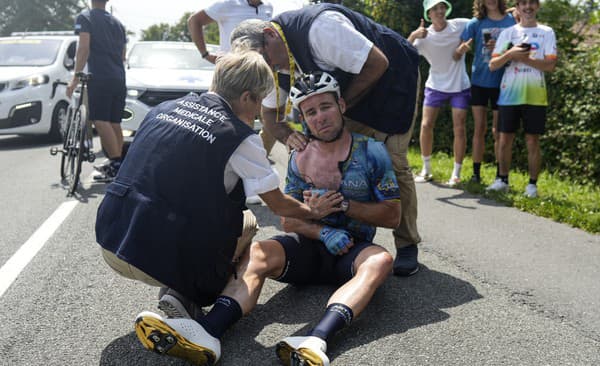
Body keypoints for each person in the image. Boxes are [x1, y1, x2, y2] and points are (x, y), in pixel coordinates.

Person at [95, 52, 344, 365]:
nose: (257, 115)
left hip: (111, 240)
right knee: (249, 222)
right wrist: (314, 212)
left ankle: (179, 293)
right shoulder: (239, 137)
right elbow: (279, 204)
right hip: (153, 258)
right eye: (258, 104)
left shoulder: (163, 109)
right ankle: (190, 291)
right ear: (245, 97)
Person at [136, 72, 400, 366]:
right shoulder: (300, 157)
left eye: (325, 107)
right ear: (302, 119)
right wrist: (322, 232)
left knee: (381, 260)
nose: (320, 117)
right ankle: (207, 333)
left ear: (341, 105)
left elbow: (392, 215)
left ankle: (316, 339)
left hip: (353, 251)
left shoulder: (372, 151)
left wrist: (344, 205)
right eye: (310, 112)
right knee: (258, 251)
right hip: (310, 249)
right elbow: (289, 221)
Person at [230, 2, 422, 276]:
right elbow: (271, 115)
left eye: (266, 58)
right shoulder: (270, 62)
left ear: (270, 34)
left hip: (391, 80)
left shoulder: (321, 29)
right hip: (343, 96)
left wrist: (343, 108)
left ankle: (407, 243)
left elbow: (377, 62)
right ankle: (338, 228)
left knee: (393, 159)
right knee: (325, 152)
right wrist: (289, 135)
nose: (268, 66)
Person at [188, 0, 277, 204]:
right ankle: (235, 180)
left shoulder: (268, 8)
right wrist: (206, 55)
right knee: (231, 126)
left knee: (258, 123)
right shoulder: (227, 4)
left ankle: (250, 178)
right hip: (234, 78)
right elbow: (195, 20)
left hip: (259, 75)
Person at [485, 0, 557, 197]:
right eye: (523, 3)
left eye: (532, 3)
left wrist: (524, 58)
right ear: (517, 8)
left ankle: (532, 186)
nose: (528, 7)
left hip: (535, 95)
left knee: (532, 141)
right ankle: (502, 180)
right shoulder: (508, 33)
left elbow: (550, 65)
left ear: (538, 7)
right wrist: (511, 53)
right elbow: (493, 64)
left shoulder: (547, 32)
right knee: (504, 139)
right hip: (509, 94)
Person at [408, 0, 470, 187]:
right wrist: (412, 36)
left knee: (459, 127)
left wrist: (463, 46)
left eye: (442, 7)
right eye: (435, 8)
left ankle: (456, 173)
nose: (439, 11)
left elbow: (481, 24)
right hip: (435, 86)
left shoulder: (459, 25)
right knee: (426, 125)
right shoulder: (424, 36)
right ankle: (426, 170)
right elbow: (402, 50)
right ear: (428, 13)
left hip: (460, 85)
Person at [456, 0, 516, 183]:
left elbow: (518, 49)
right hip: (479, 82)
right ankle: (476, 174)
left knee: (498, 131)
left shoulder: (511, 22)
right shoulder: (475, 23)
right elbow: (457, 51)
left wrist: (501, 48)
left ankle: (500, 175)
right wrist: (462, 49)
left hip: (502, 82)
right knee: (479, 128)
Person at [67, 0, 126, 181]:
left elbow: (83, 49)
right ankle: (120, 165)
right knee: (114, 122)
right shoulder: (118, 23)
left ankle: (115, 166)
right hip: (119, 77)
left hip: (99, 77)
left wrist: (74, 79)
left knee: (100, 120)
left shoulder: (86, 17)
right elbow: (123, 54)